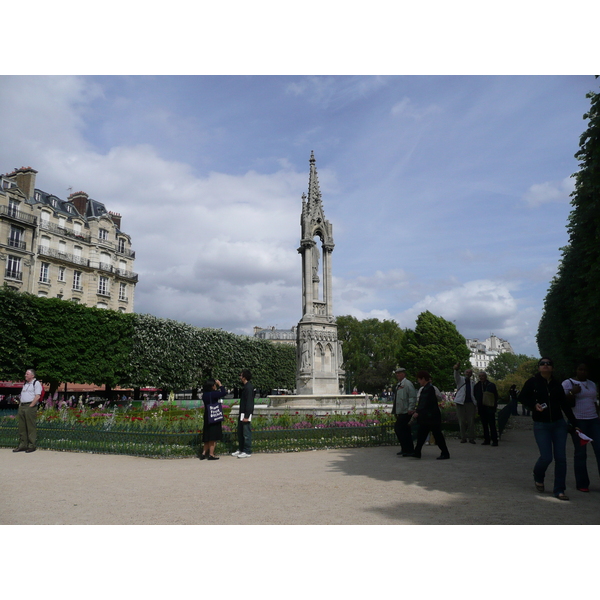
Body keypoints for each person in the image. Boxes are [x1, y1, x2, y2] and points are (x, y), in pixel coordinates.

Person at [518, 357, 578, 501]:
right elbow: (522, 397)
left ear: (552, 368)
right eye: (543, 364)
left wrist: (574, 423)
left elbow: (564, 404)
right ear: (539, 367)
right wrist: (534, 405)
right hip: (541, 425)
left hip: (558, 424)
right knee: (546, 457)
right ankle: (538, 475)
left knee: (561, 458)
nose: (546, 366)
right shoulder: (532, 382)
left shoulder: (557, 384)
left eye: (548, 364)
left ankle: (559, 490)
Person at [562, 363, 600, 493]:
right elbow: (562, 401)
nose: (583, 372)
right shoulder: (568, 383)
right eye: (580, 369)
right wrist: (572, 392)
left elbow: (595, 402)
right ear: (576, 370)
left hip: (594, 420)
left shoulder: (592, 384)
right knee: (581, 453)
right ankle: (582, 483)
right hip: (578, 421)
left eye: (585, 369)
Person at [411, 370, 450, 460]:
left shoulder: (428, 389)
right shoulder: (429, 388)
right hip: (430, 416)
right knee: (425, 434)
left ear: (423, 379)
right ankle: (417, 452)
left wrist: (418, 411)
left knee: (433, 434)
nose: (419, 382)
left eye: (419, 380)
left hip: (430, 417)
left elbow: (424, 402)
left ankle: (445, 452)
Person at [14, 369, 42, 453]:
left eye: (27, 374)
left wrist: (31, 406)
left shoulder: (36, 383)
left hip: (30, 406)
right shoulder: (25, 384)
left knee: (30, 426)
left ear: (32, 376)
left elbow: (37, 396)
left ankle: (31, 445)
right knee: (22, 426)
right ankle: (23, 445)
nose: (25, 375)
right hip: (22, 405)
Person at [391, 367, 417, 456]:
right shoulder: (399, 384)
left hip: (406, 411)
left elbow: (412, 397)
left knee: (400, 429)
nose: (398, 375)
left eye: (399, 373)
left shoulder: (407, 384)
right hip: (401, 410)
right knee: (404, 430)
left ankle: (408, 449)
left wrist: (411, 408)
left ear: (404, 374)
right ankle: (405, 448)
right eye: (397, 374)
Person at [200, 378, 227, 461]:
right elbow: (224, 393)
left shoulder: (204, 395)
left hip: (207, 414)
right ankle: (211, 454)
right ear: (212, 386)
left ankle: (203, 453)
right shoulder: (214, 394)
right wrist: (220, 384)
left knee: (207, 435)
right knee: (213, 436)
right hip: (214, 415)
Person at [232, 369, 254, 458]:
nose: (240, 377)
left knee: (246, 433)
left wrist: (247, 415)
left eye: (241, 375)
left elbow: (249, 403)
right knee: (240, 432)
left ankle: (247, 451)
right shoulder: (246, 387)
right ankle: (241, 449)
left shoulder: (249, 387)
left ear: (244, 377)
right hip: (243, 413)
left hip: (245, 413)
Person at [453, 363, 476, 444]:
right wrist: (456, 369)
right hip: (460, 402)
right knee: (461, 421)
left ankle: (471, 437)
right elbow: (456, 375)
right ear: (465, 373)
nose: (468, 374)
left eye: (470, 373)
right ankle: (463, 437)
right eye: (467, 372)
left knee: (471, 421)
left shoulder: (473, 382)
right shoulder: (460, 380)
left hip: (470, 402)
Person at [474, 371, 499, 446]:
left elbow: (495, 396)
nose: (481, 377)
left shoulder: (491, 385)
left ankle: (494, 440)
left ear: (485, 376)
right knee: (484, 425)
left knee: (492, 424)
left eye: (482, 376)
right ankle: (487, 439)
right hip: (482, 407)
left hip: (489, 407)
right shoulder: (477, 386)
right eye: (480, 376)